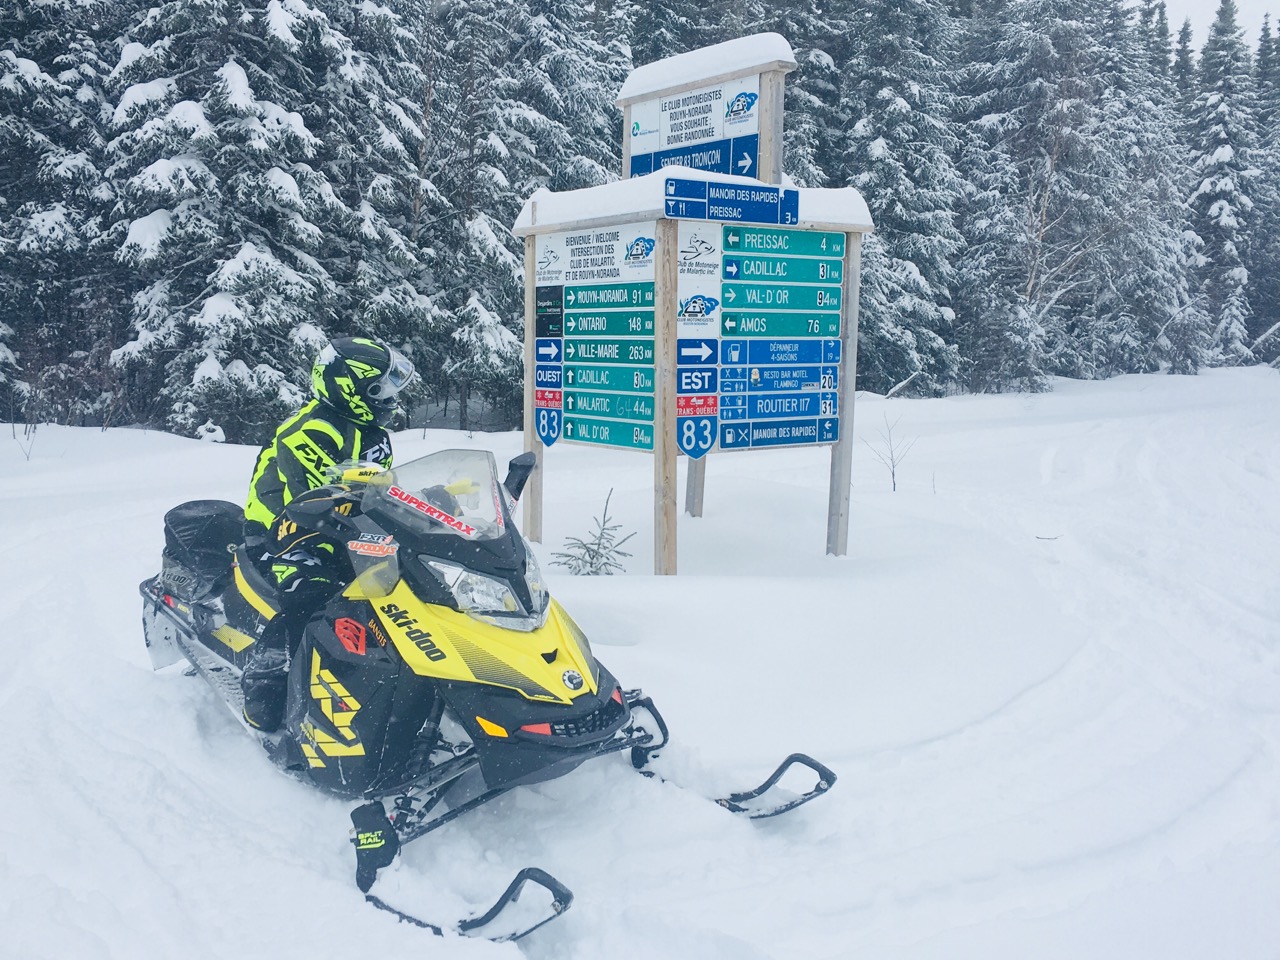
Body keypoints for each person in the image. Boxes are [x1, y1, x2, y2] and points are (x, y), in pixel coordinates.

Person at [240, 336, 416, 731]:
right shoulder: (310, 431)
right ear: (349, 388)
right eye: (379, 390)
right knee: (314, 594)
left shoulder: (371, 432)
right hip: (284, 536)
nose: (389, 399)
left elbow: (377, 492)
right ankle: (266, 682)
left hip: (341, 531)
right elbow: (320, 497)